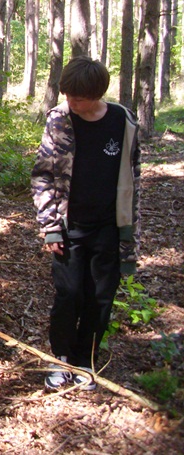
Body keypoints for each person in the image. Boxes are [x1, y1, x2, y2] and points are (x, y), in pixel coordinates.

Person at [31, 58, 140, 391]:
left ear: (97, 94)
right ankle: (61, 358)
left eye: (78, 98)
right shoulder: (60, 120)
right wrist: (50, 225)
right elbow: (43, 175)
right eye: (67, 95)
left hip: (108, 228)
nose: (71, 102)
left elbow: (133, 179)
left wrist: (129, 233)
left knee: (100, 298)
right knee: (68, 294)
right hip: (69, 227)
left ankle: (84, 362)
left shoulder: (123, 121)